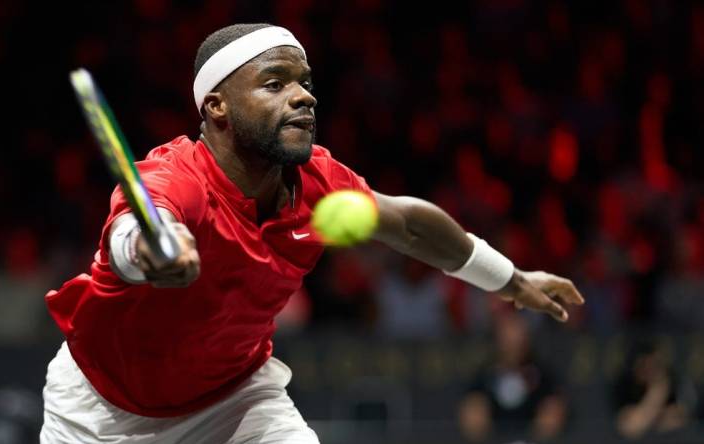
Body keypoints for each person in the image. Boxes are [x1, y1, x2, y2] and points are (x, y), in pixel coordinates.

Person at [40, 23, 584, 443]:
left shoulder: (320, 181)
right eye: (275, 84)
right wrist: (148, 254)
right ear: (216, 107)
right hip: (100, 412)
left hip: (234, 401)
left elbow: (412, 228)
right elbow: (131, 232)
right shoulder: (177, 180)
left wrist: (510, 279)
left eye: (305, 83)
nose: (303, 97)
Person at [457, 313, 567, 443]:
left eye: (518, 339)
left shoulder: (540, 372)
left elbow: (556, 400)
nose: (513, 344)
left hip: (532, 434)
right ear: (498, 340)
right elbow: (470, 402)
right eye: (508, 340)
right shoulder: (486, 373)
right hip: (494, 433)